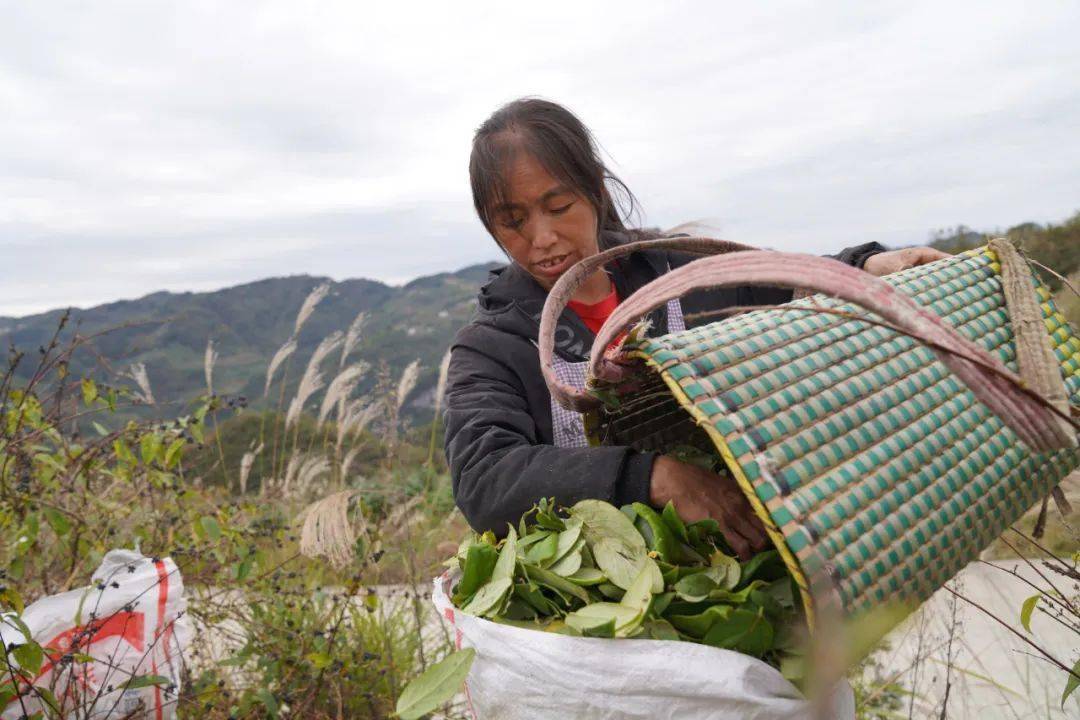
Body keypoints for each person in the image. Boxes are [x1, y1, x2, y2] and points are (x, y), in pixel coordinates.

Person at [443, 98, 948, 559]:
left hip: (751, 560)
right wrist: (652, 478)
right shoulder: (494, 347)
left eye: (558, 207)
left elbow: (779, 281)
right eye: (512, 222)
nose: (542, 237)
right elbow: (486, 479)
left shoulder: (678, 276)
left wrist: (865, 265)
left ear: (595, 189)